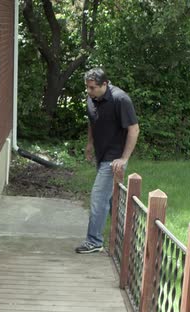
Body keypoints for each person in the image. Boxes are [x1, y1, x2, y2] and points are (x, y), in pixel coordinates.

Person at [75, 68, 139, 254]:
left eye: (93, 88)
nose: (89, 91)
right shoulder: (92, 98)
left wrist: (124, 158)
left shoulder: (121, 100)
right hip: (101, 155)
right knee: (112, 201)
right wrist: (89, 143)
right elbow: (92, 121)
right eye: (87, 87)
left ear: (105, 84)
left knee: (98, 198)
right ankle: (128, 240)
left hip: (114, 159)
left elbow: (134, 130)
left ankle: (94, 241)